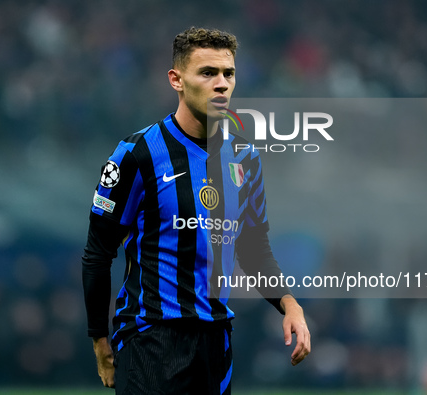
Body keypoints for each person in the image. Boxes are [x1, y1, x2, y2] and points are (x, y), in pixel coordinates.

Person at [81, 27, 310, 394]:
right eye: (207, 73)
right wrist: (99, 340)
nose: (221, 84)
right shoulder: (136, 154)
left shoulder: (243, 157)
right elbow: (98, 253)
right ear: (177, 79)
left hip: (216, 342)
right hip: (151, 339)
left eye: (228, 74)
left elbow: (252, 246)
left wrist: (290, 306)